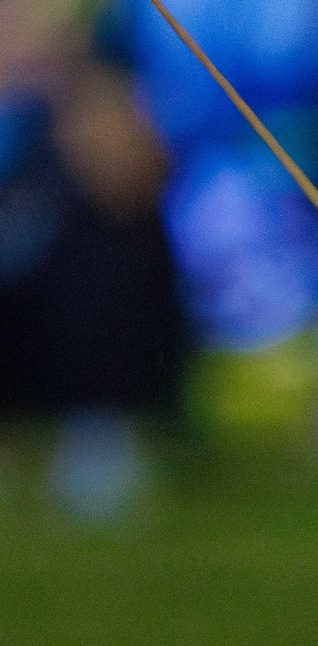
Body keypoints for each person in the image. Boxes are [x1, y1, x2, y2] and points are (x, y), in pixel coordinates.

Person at [0, 0, 186, 520]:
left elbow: (133, 171)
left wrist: (66, 82)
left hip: (47, 235)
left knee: (109, 236)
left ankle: (97, 429)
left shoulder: (90, 48)